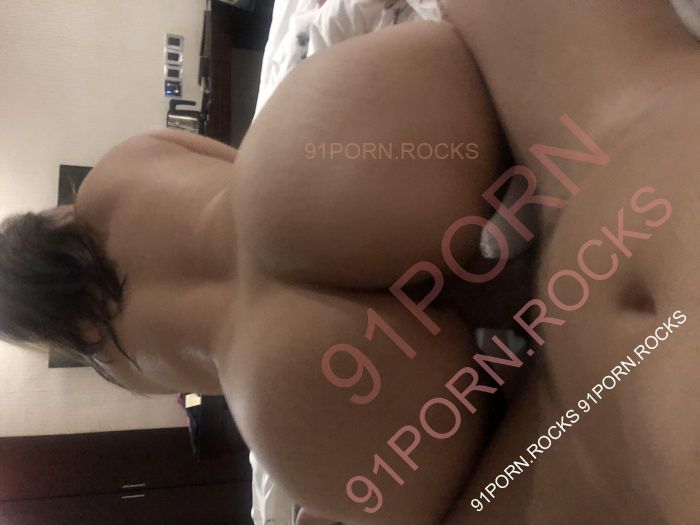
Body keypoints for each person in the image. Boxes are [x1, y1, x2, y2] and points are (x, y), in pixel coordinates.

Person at [1, 0, 697, 523]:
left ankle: (520, 339)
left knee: (532, 475)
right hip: (298, 173)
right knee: (604, 110)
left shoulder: (114, 361)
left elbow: (198, 377)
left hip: (289, 384)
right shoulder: (114, 176)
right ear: (42, 228)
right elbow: (228, 165)